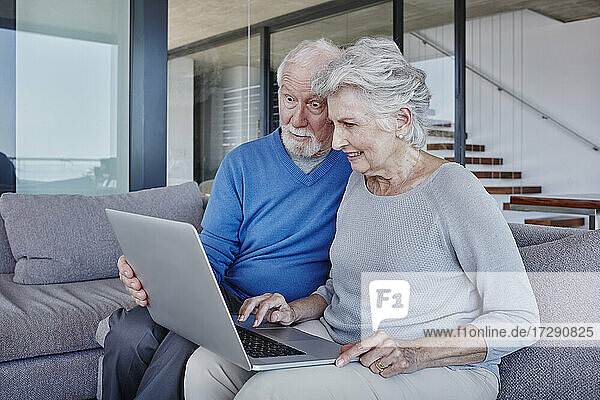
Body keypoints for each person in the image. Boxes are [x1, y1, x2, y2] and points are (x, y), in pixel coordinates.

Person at [198, 37, 539, 400]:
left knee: (267, 393)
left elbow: (519, 320)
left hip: (435, 367)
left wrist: (415, 351)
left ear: (400, 120)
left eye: (350, 124)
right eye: (334, 123)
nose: (337, 140)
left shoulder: (455, 190)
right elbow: (339, 289)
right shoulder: (358, 183)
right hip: (341, 343)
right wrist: (293, 309)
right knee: (209, 367)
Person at [102, 38, 352, 400]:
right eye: (288, 100)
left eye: (313, 104)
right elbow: (215, 249)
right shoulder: (242, 162)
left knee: (179, 348)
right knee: (127, 337)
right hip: (221, 294)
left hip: (274, 309)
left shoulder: (354, 170)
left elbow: (346, 270)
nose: (296, 119)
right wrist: (158, 277)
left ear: (336, 104)